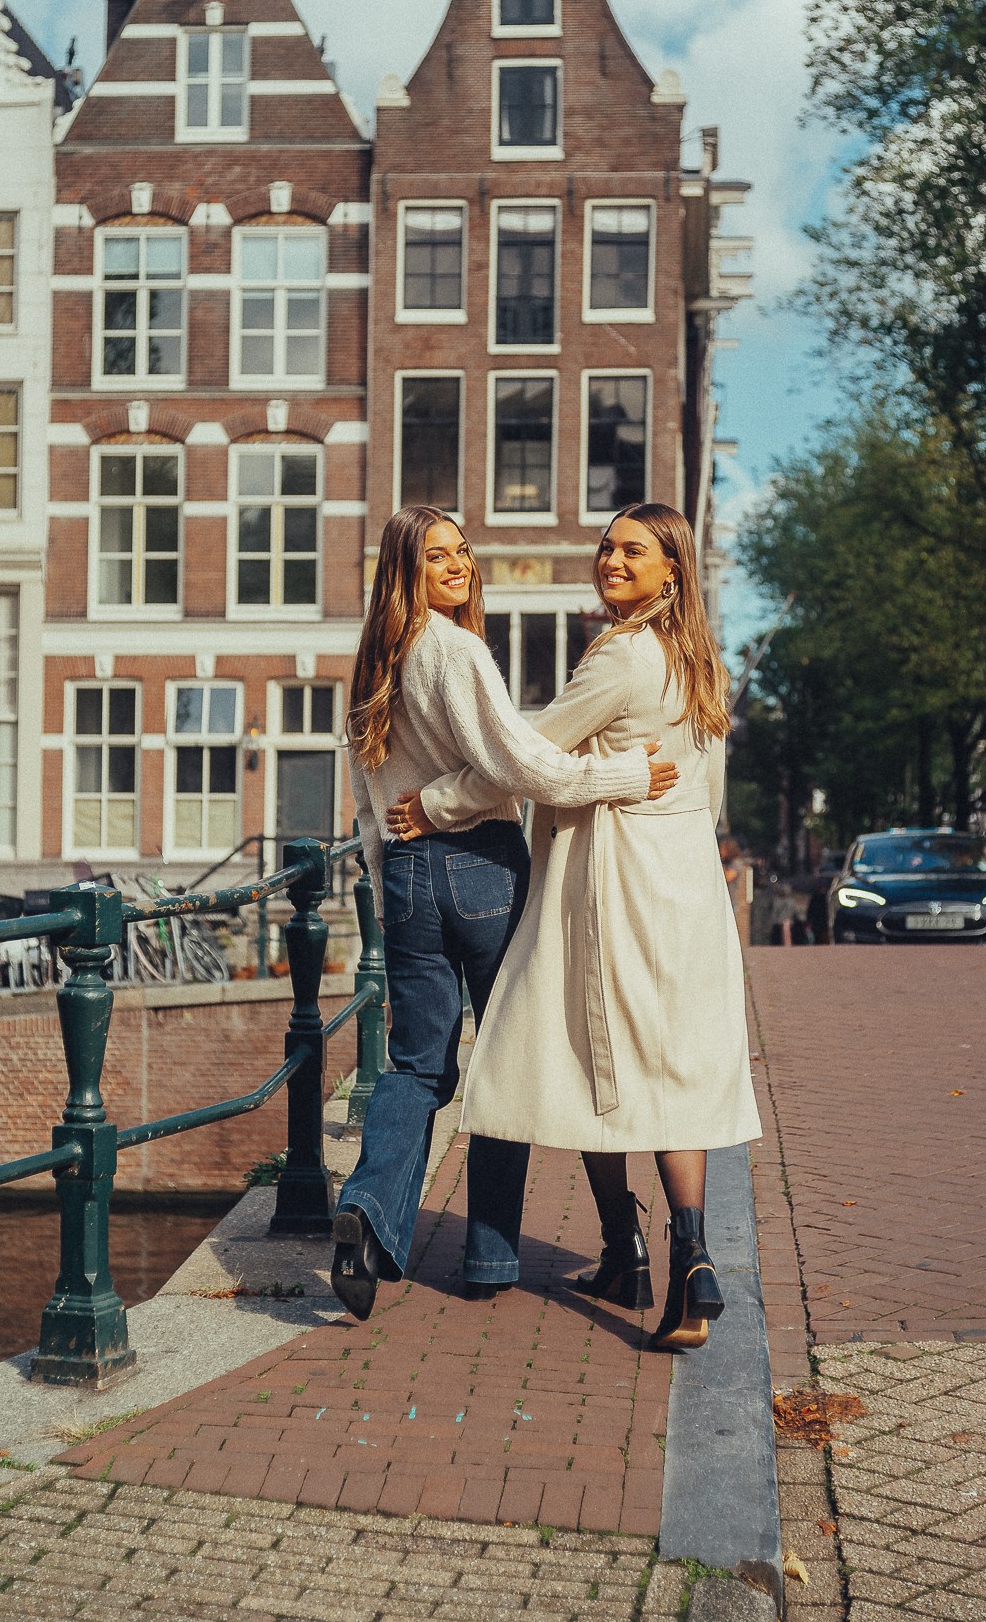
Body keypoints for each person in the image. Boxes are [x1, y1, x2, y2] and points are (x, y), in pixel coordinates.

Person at [389, 503, 762, 1350]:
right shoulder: (701, 660)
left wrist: (435, 806)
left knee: (600, 1055)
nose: (611, 559)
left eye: (634, 550)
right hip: (689, 881)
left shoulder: (624, 656)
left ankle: (649, 1251)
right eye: (608, 546)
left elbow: (529, 757)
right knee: (669, 1067)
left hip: (617, 875)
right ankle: (665, 1257)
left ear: (673, 570)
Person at [332, 505, 677, 1322]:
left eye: (463, 552)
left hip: (411, 874)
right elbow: (523, 766)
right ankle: (488, 1256)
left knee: (416, 1063)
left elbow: (365, 800)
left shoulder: (376, 662)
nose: (458, 566)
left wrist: (388, 886)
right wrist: (624, 777)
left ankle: (371, 1210)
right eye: (437, 557)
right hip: (483, 862)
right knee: (505, 1057)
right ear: (406, 573)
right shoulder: (454, 650)